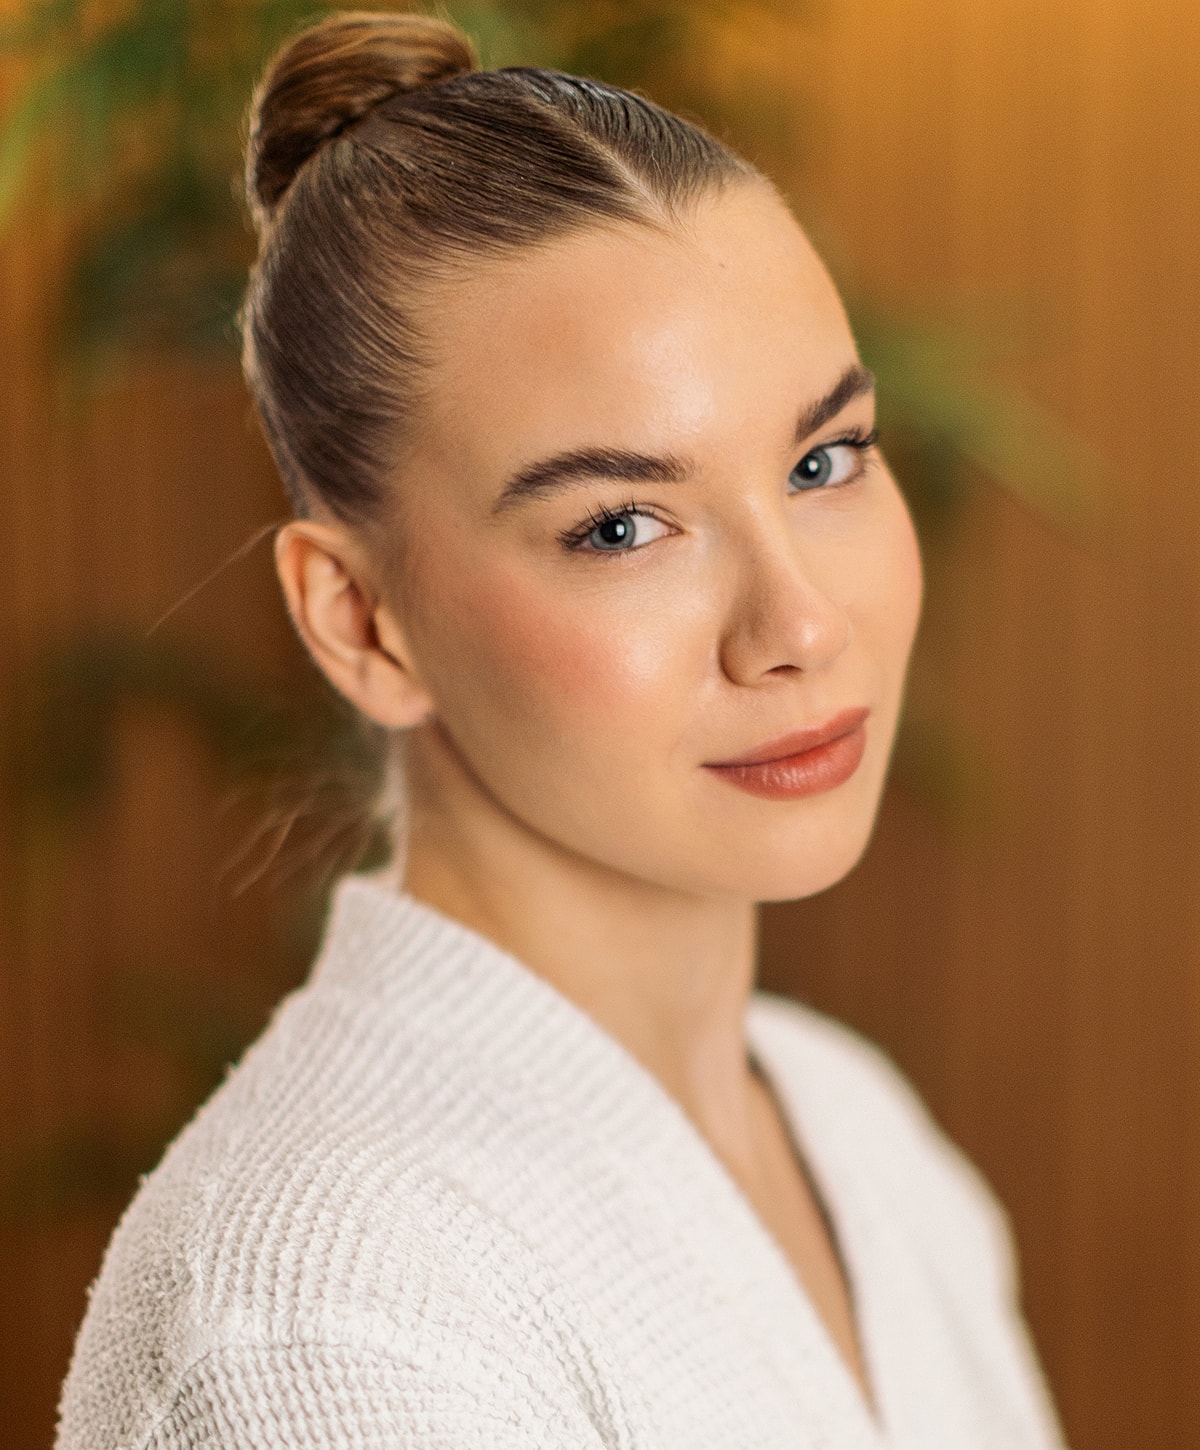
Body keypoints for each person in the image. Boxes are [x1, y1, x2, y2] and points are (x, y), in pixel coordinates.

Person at [56, 10, 1067, 1448]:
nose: (798, 623)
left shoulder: (863, 1131)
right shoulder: (330, 1309)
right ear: (360, 619)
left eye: (825, 458)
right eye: (619, 525)